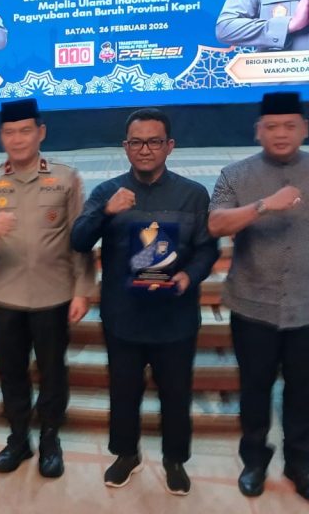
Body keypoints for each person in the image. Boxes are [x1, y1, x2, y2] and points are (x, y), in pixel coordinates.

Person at [208, 92, 309, 503]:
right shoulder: (235, 174)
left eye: (290, 125)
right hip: (252, 307)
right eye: (272, 126)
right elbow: (216, 224)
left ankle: (299, 467)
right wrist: (264, 205)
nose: (281, 133)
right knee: (254, 391)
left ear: (304, 129)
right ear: (257, 131)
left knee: (303, 393)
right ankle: (254, 464)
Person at [71, 108, 219, 495]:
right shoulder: (107, 192)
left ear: (170, 146)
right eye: (136, 142)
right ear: (125, 147)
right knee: (123, 393)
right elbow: (79, 240)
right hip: (124, 316)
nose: (145, 149)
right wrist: (106, 212)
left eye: (154, 141)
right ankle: (126, 455)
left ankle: (175, 460)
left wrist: (189, 276)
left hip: (175, 316)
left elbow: (207, 249)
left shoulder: (192, 194)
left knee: (176, 394)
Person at [0, 98, 95, 478]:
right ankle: (18, 438)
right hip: (6, 296)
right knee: (11, 371)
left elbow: (81, 239)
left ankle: (51, 439)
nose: (17, 139)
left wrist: (83, 290)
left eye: (25, 131)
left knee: (53, 372)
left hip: (54, 295)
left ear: (41, 133)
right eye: (9, 132)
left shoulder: (66, 179)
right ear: (1, 136)